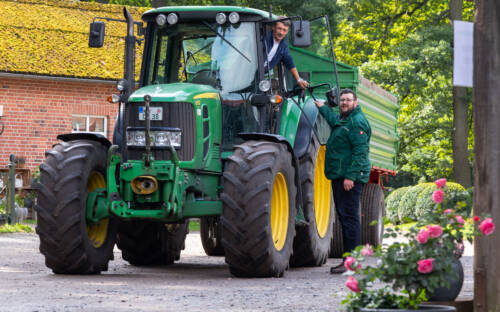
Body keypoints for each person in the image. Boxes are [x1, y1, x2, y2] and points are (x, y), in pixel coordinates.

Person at [315, 89, 371, 274]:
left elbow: (360, 153)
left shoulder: (357, 123)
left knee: (350, 220)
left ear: (355, 102)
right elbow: (334, 123)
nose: (344, 103)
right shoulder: (346, 119)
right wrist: (322, 108)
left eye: (348, 100)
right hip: (340, 175)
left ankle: (351, 262)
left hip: (349, 178)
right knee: (346, 218)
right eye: (342, 100)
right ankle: (350, 261)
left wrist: (351, 177)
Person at [263, 18, 309, 89]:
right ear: (273, 27)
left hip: (261, 74)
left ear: (287, 32)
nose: (281, 32)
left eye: (284, 30)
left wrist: (299, 79)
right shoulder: (264, 39)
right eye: (279, 28)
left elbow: (289, 61)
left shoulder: (283, 45)